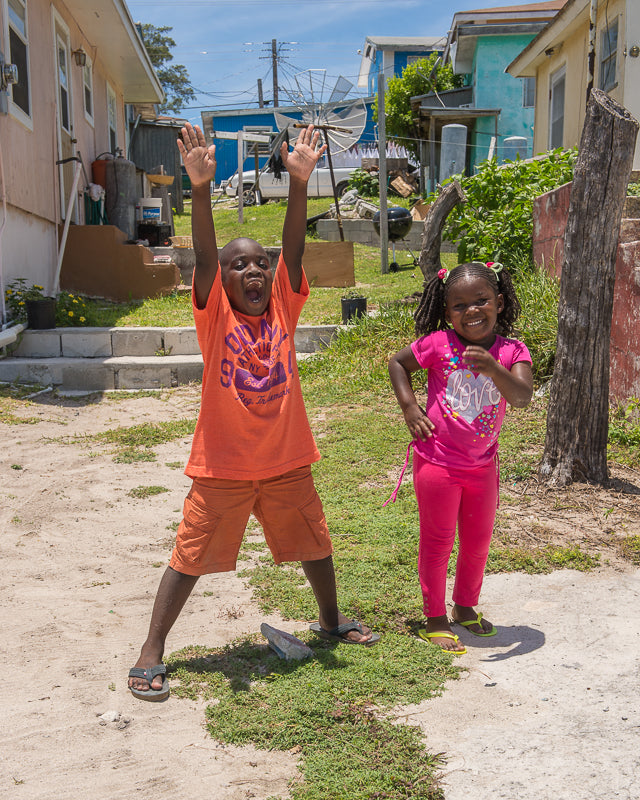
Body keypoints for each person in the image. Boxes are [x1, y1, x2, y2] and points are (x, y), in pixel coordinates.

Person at [128, 123, 378, 701]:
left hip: (287, 459)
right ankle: (151, 650)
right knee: (190, 554)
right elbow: (210, 259)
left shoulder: (285, 308)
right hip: (223, 465)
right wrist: (198, 190)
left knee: (314, 541)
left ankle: (332, 620)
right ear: (222, 282)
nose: (253, 271)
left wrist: (298, 184)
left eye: (259, 264)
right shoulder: (215, 315)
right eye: (239, 267)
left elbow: (290, 249)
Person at [387, 261, 533, 654]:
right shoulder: (438, 344)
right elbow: (397, 363)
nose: (471, 311)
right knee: (438, 542)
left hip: (483, 466)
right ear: (445, 311)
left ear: (499, 303)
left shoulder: (512, 351)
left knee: (477, 542)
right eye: (459, 305)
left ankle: (465, 607)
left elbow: (520, 397)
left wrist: (492, 367)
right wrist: (410, 408)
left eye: (481, 301)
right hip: (437, 463)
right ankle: (434, 617)